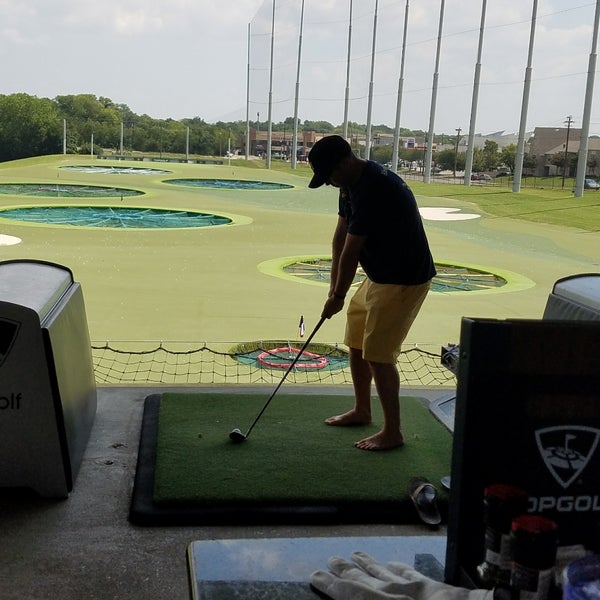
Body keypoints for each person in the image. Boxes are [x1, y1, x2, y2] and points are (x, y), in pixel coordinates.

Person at [308, 135, 436, 451]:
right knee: (355, 340)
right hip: (379, 276)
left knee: (378, 356)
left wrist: (338, 296)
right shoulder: (348, 185)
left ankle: (393, 432)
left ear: (344, 162)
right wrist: (333, 288)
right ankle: (362, 411)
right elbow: (339, 238)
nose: (328, 184)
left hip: (403, 279)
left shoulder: (375, 188)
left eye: (329, 176)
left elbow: (353, 250)